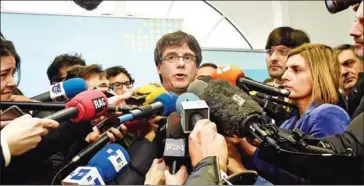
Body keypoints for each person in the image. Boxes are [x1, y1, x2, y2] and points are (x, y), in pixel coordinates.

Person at [239, 43, 351, 184]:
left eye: (296, 70)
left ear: (319, 74)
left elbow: (321, 179)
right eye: (286, 69)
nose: (285, 76)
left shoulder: (328, 115)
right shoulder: (289, 122)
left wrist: (251, 152)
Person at [154, 30, 202, 95]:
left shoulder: (208, 104)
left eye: (187, 58)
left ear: (197, 68)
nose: (181, 64)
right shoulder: (144, 103)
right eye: (171, 58)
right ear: (159, 68)